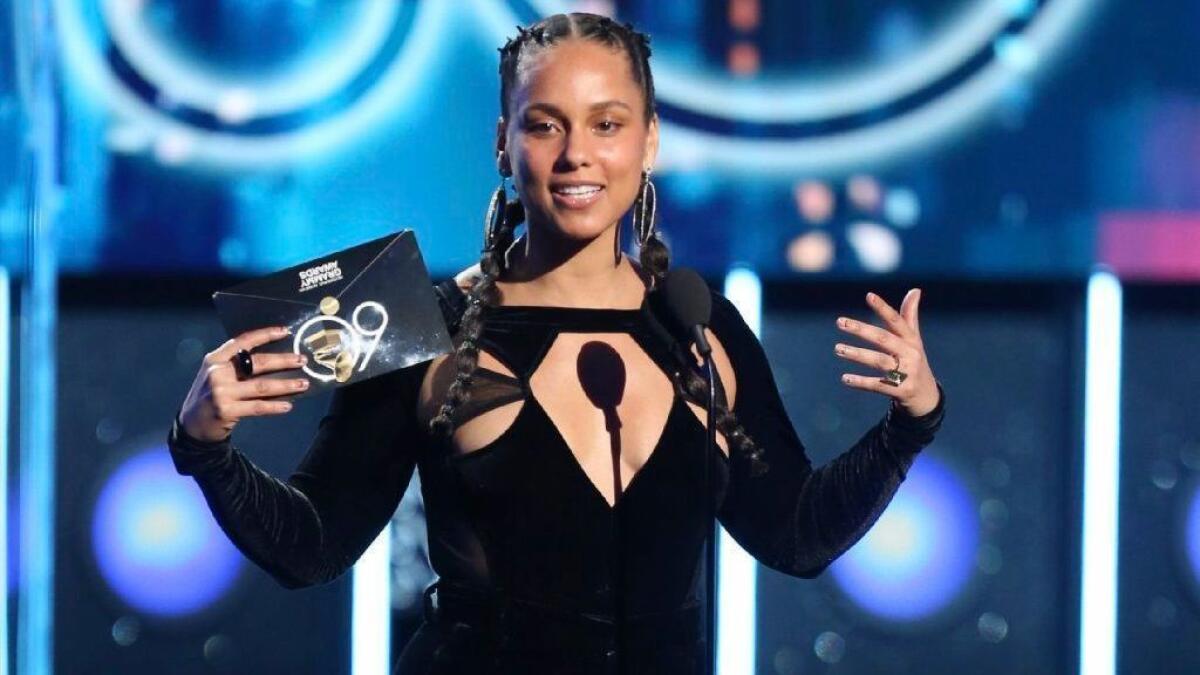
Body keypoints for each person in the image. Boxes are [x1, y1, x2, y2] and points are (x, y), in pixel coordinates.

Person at [168, 12, 945, 675]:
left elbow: (797, 534)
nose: (577, 155)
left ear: (648, 144)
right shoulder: (419, 321)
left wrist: (912, 423)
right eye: (545, 124)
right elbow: (311, 546)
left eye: (607, 124)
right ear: (504, 143)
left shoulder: (702, 324)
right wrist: (206, 447)